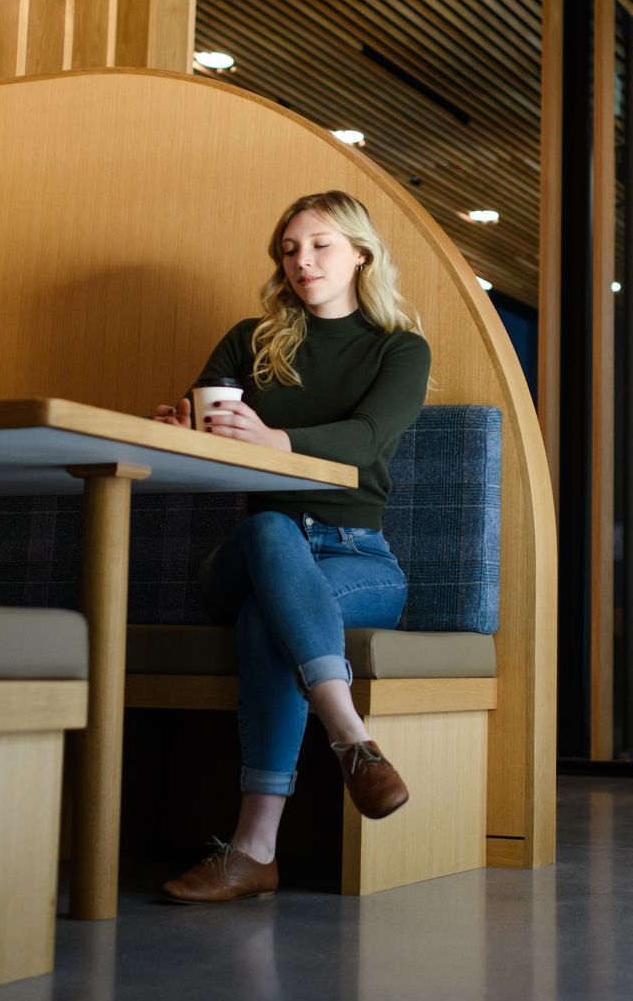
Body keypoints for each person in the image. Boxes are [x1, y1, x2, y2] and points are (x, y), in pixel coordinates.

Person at [152, 190, 431, 904]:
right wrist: (179, 431)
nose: (302, 261)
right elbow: (210, 443)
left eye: (321, 245)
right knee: (273, 529)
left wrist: (277, 440)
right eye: (289, 249)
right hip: (253, 550)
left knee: (264, 621)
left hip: (358, 558)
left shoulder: (399, 349)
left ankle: (252, 851)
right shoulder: (250, 340)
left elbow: (371, 441)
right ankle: (349, 738)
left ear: (362, 254)